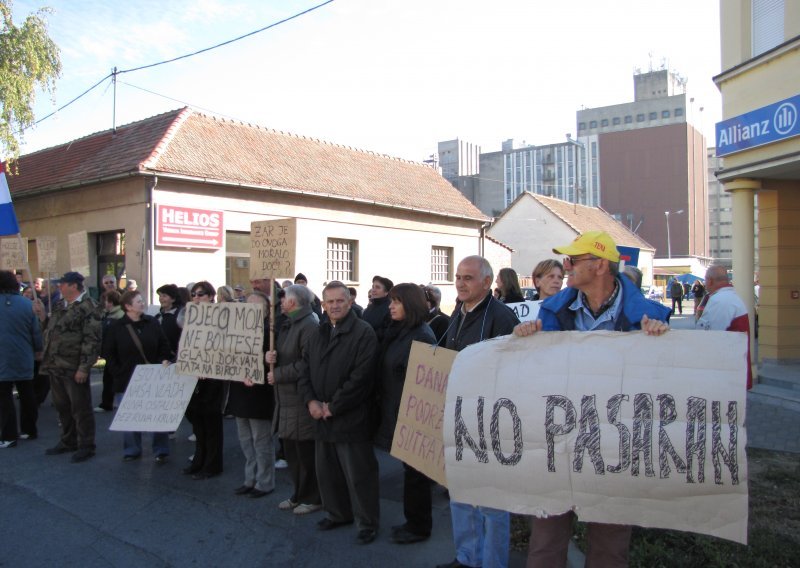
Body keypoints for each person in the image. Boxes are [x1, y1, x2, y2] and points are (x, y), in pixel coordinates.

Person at [514, 230, 670, 568]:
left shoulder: (650, 317)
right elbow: (535, 372)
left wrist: (659, 343)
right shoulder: (551, 312)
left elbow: (661, 384)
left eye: (573, 260)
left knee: (610, 547)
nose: (566, 266)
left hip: (616, 449)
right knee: (544, 544)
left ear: (600, 265)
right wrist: (523, 342)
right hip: (559, 443)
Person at [437, 256, 520, 568]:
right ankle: (467, 557)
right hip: (459, 419)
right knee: (461, 494)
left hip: (490, 422)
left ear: (487, 282)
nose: (460, 282)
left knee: (492, 502)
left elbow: (513, 370)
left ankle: (492, 562)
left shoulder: (501, 317)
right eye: (458, 276)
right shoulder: (457, 313)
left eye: (468, 278)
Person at [298, 281, 380, 545]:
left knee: (359, 475)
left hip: (350, 417)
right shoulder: (318, 333)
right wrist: (310, 401)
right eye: (329, 301)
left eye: (339, 301)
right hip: (320, 415)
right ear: (322, 305)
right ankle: (337, 513)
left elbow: (362, 378)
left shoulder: (363, 333)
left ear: (349, 302)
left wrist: (334, 406)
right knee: (327, 471)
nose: (334, 306)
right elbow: (304, 371)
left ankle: (366, 523)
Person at [374, 283, 437, 545]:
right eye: (390, 301)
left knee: (416, 476)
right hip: (397, 411)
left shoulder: (422, 336)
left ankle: (419, 527)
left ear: (409, 304)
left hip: (413, 418)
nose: (390, 306)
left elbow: (425, 383)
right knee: (410, 474)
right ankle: (412, 522)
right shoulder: (399, 331)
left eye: (396, 302)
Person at [35, 271, 103, 463]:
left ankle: (86, 445)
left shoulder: (89, 307)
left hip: (73, 366)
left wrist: (84, 367)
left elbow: (92, 340)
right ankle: (68, 440)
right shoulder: (59, 305)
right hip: (56, 364)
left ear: (74, 286)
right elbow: (52, 331)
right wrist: (42, 318)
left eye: (62, 284)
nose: (59, 287)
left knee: (80, 408)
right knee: (62, 406)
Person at [266, 284, 322, 514]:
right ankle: (298, 494)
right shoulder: (290, 324)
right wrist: (269, 357)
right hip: (286, 398)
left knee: (304, 454)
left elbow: (306, 363)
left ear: (294, 302)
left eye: (284, 298)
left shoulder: (309, 325)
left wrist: (278, 374)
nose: (280, 302)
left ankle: (312, 497)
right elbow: (285, 355)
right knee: (292, 453)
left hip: (299, 398)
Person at [102, 290, 173, 462]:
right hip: (126, 378)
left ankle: (161, 449)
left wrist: (163, 360)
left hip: (152, 376)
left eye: (142, 300)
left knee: (157, 414)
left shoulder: (152, 322)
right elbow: (108, 353)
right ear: (128, 306)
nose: (142, 304)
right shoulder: (116, 327)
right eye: (139, 301)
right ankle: (132, 449)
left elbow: (164, 345)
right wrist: (117, 371)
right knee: (131, 415)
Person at [228, 291, 276, 498]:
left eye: (258, 307)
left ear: (266, 311)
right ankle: (249, 479)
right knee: (246, 441)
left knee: (261, 442)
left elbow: (275, 363)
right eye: (249, 306)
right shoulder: (234, 331)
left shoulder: (271, 333)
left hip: (259, 395)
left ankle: (264, 482)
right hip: (240, 393)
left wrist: (268, 360)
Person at [183, 281, 226, 479]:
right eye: (193, 295)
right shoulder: (190, 319)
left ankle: (212, 464)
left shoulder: (221, 318)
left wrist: (207, 366)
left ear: (210, 296)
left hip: (214, 379)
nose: (196, 298)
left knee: (211, 423)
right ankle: (199, 460)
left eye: (200, 294)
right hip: (195, 378)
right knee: (198, 423)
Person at [0, 270, 43, 448]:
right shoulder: (27, 305)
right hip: (24, 355)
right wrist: (38, 349)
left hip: (2, 357)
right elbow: (36, 331)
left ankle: (9, 435)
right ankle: (30, 429)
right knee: (27, 394)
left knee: (4, 398)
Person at [695, 265, 752, 389]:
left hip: (726, 372)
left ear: (709, 280)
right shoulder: (730, 297)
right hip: (733, 367)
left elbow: (707, 337)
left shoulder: (720, 300)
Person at [94, 290, 124, 413]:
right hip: (110, 353)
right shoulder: (109, 314)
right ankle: (108, 402)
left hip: (116, 353)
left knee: (111, 378)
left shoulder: (117, 315)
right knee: (109, 378)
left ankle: (109, 403)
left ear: (110, 302)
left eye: (106, 301)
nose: (104, 303)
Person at [154, 284, 184, 356]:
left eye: (164, 296)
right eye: (160, 296)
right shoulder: (158, 316)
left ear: (173, 299)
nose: (161, 299)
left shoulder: (181, 315)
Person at [362, 275, 393, 341]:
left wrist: (367, 334)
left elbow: (387, 332)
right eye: (373, 287)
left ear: (386, 292)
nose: (373, 290)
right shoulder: (369, 308)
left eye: (378, 287)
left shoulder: (390, 308)